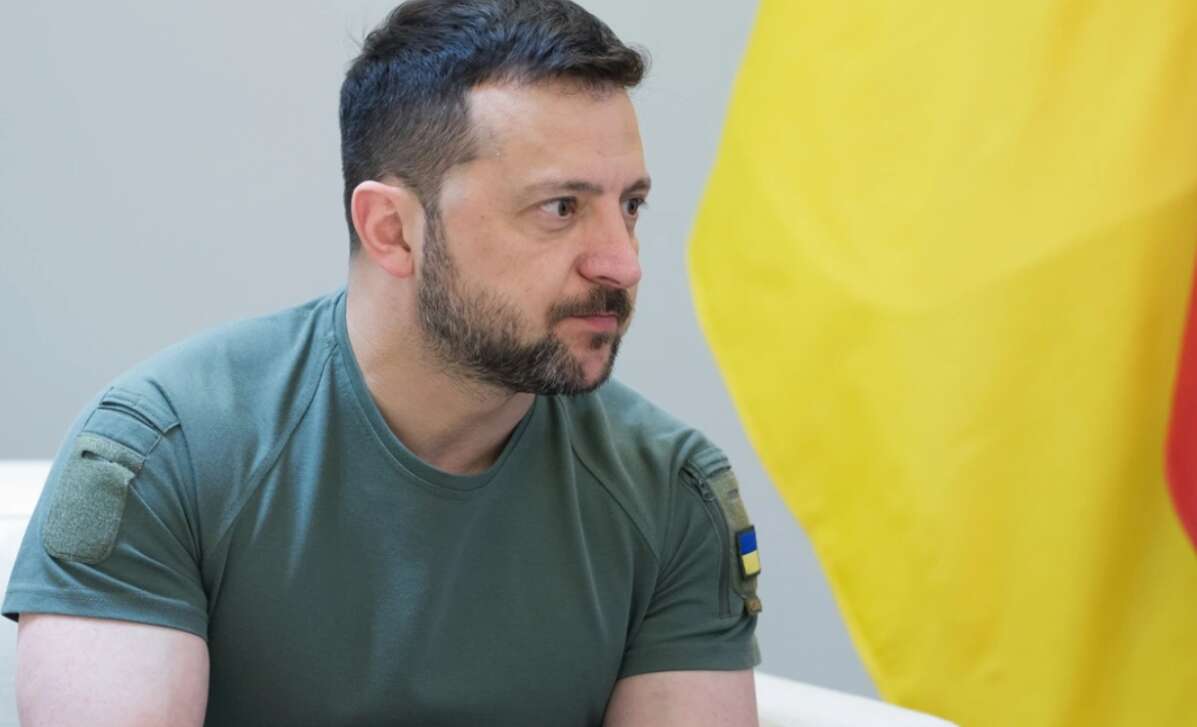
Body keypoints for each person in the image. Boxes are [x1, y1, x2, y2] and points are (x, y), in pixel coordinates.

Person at [3, 0, 763, 724]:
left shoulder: (670, 493)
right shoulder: (162, 455)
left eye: (629, 205)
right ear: (392, 229)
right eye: (560, 208)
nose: (622, 263)